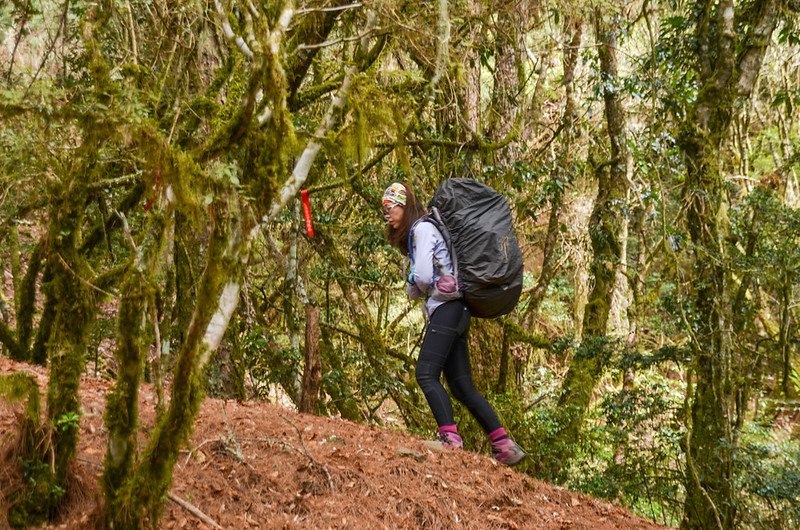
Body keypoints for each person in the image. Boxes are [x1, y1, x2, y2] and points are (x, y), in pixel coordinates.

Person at [382, 181, 526, 466]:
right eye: (384, 208)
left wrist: (412, 283)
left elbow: (421, 277)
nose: (386, 213)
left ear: (404, 204)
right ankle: (504, 444)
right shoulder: (424, 230)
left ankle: (450, 439)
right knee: (461, 386)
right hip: (458, 311)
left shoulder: (422, 230)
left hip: (447, 310)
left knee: (425, 374)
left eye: (390, 206)